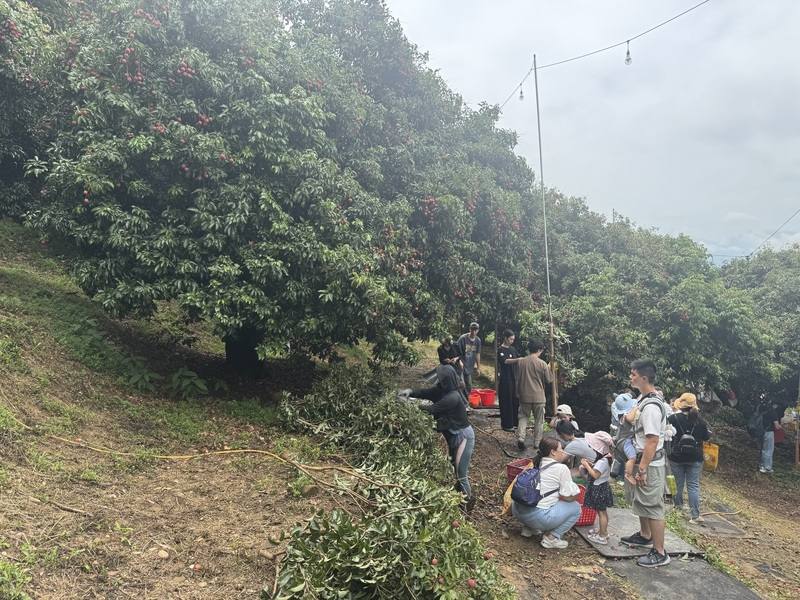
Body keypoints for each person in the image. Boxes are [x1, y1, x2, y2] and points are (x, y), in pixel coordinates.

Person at [620, 359, 670, 568]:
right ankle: (644, 534)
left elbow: (652, 440)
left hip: (649, 463)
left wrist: (642, 469)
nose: (630, 377)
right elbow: (630, 417)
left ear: (644, 377)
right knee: (640, 501)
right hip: (640, 459)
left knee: (652, 505)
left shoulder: (651, 408)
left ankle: (660, 552)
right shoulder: (644, 398)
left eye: (633, 374)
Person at [410, 365, 476, 510]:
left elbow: (431, 410)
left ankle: (467, 504)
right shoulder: (440, 391)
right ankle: (459, 501)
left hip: (463, 436)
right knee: (455, 468)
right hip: (453, 435)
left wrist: (410, 405)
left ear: (446, 381)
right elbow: (424, 392)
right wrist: (410, 393)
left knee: (461, 473)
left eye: (441, 380)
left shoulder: (452, 397)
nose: (438, 382)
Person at [512, 437, 581, 549]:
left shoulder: (536, 462)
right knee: (576, 508)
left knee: (536, 496)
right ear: (553, 452)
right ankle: (551, 538)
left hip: (517, 511)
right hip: (537, 517)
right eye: (561, 449)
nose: (563, 452)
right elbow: (569, 495)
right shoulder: (561, 468)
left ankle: (528, 528)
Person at [668, 393, 711, 523]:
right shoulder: (701, 421)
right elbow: (706, 437)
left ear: (681, 405)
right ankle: (695, 515)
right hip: (695, 457)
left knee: (678, 483)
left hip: (676, 456)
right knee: (693, 485)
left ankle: (678, 507)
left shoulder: (672, 418)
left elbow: (667, 434)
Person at [506, 340, 552, 450]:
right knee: (539, 420)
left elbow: (517, 377)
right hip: (539, 397)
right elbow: (549, 380)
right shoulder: (542, 363)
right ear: (539, 350)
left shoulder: (521, 361)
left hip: (524, 395)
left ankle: (521, 438)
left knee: (523, 417)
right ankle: (537, 443)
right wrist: (550, 370)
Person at [581, 440, 615, 545]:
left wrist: (586, 465)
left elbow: (595, 475)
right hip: (603, 487)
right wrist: (591, 464)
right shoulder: (606, 458)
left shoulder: (602, 462)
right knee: (603, 512)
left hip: (598, 488)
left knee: (601, 513)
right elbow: (599, 470)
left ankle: (602, 536)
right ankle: (603, 531)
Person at [496, 329, 519, 432]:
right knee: (506, 401)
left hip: (514, 378)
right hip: (505, 379)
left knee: (514, 400)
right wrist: (518, 360)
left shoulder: (513, 349)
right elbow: (505, 361)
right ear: (505, 338)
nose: (512, 341)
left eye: (513, 339)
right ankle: (506, 424)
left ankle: (514, 423)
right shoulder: (500, 350)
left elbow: (516, 361)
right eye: (510, 339)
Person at [759, 399, 785, 474]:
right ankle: (767, 467)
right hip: (769, 432)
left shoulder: (762, 409)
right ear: (775, 405)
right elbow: (777, 426)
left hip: (760, 432)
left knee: (763, 449)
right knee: (769, 450)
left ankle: (761, 465)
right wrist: (781, 426)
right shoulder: (773, 412)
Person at [457, 322, 482, 395]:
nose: (474, 331)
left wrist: (478, 367)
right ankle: (459, 402)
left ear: (478, 330)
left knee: (469, 386)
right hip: (460, 365)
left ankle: (468, 402)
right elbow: (456, 352)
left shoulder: (478, 340)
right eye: (472, 329)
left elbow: (478, 354)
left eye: (475, 330)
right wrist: (459, 361)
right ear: (469, 329)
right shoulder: (462, 338)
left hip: (469, 366)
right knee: (461, 385)